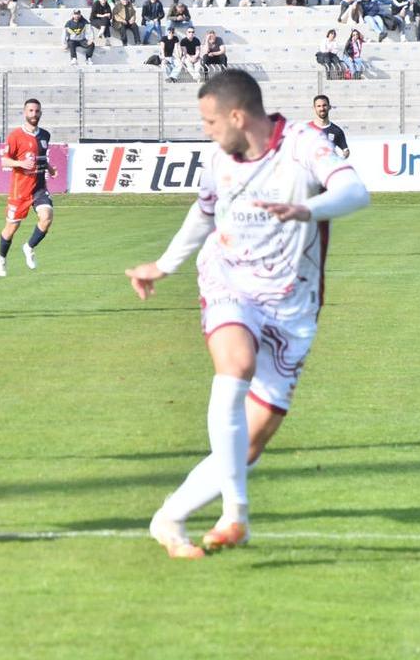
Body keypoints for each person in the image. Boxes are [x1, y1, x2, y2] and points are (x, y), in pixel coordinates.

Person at [129, 69, 370, 559]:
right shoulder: (218, 160)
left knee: (250, 445)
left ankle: (169, 516)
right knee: (235, 364)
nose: (207, 131)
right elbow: (202, 214)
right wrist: (165, 265)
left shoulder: (303, 144)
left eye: (211, 121)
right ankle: (236, 514)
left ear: (238, 116)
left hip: (292, 306)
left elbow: (355, 192)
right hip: (229, 281)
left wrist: (310, 209)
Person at [0, 99, 56, 277]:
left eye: (37, 111)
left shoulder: (45, 135)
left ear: (40, 113)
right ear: (25, 113)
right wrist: (21, 163)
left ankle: (29, 247)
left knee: (46, 217)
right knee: (11, 229)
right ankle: (1, 258)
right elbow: (4, 161)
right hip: (20, 190)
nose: (34, 114)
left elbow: (42, 158)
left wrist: (51, 169)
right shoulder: (15, 136)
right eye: (31, 111)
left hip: (38, 188)